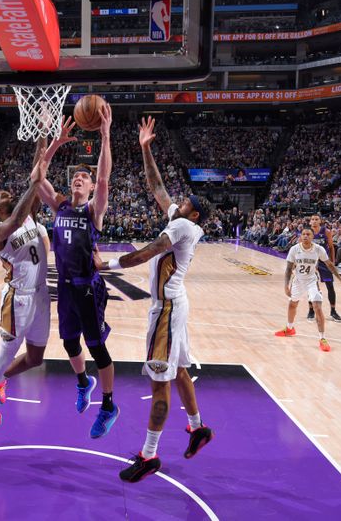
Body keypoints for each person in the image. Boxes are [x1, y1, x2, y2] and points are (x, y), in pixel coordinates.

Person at [95, 116, 214, 482]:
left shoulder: (182, 226)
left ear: (193, 212)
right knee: (178, 371)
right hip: (174, 305)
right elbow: (157, 186)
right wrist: (146, 147)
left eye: (184, 201)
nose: (176, 201)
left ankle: (149, 455)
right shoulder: (182, 218)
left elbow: (148, 252)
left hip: (167, 310)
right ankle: (197, 428)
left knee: (160, 382)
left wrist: (107, 265)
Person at [34, 107, 118, 439]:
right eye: (74, 177)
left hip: (88, 288)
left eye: (81, 178)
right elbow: (36, 178)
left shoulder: (93, 210)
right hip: (66, 288)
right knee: (69, 342)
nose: (76, 180)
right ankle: (84, 383)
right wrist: (53, 144)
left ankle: (109, 405)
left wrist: (106, 135)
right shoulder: (60, 205)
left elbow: (103, 178)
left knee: (97, 349)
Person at [0, 140, 50, 427]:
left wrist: (43, 136)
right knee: (5, 352)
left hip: (42, 296)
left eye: (10, 193)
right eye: (2, 196)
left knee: (35, 358)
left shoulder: (29, 213)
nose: (8, 195)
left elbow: (37, 168)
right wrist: (35, 182)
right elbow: (19, 213)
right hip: (17, 299)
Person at [275, 227, 341, 352]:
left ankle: (322, 339)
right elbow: (289, 269)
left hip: (312, 281)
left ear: (312, 236)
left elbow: (330, 265)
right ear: (300, 236)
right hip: (298, 281)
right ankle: (289, 328)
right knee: (292, 304)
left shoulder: (318, 249)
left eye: (308, 234)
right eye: (303, 234)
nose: (306, 236)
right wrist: (286, 285)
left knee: (317, 307)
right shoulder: (294, 249)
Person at [307, 215, 341, 323]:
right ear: (310, 222)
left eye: (316, 219)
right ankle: (311, 310)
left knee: (330, 286)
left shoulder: (326, 231)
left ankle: (333, 311)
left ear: (320, 221)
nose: (314, 221)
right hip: (312, 262)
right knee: (312, 287)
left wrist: (332, 262)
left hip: (324, 262)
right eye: (312, 219)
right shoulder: (307, 232)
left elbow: (331, 247)